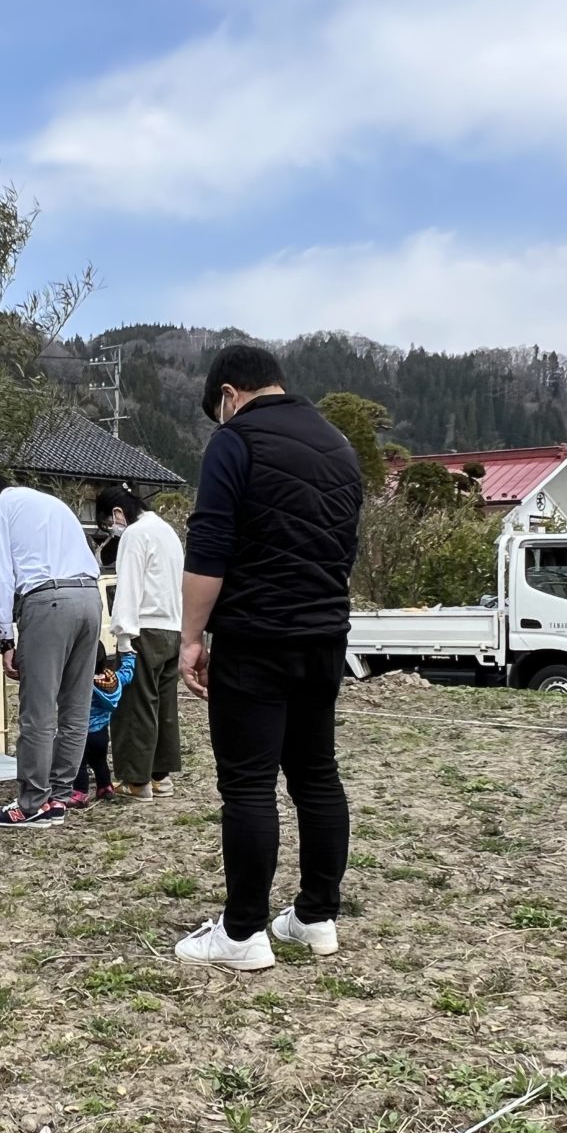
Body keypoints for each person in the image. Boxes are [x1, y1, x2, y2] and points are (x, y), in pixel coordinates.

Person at [174, 345, 363, 971]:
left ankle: (243, 932)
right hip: (324, 633)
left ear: (229, 394)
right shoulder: (339, 445)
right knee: (316, 774)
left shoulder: (237, 441)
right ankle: (316, 917)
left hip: (256, 635)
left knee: (249, 784)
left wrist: (191, 637)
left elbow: (210, 549)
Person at [0, 474, 100, 829]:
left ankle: (31, 804)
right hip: (90, 596)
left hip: (47, 599)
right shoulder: (53, 505)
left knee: (38, 709)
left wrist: (5, 637)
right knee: (76, 706)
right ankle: (59, 794)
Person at [96, 486, 185, 801]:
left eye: (110, 524)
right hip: (172, 627)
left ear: (118, 514)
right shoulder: (168, 532)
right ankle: (161, 777)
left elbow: (129, 587)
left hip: (142, 630)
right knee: (163, 706)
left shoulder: (135, 535)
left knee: (134, 706)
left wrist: (122, 637)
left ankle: (137, 781)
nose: (113, 531)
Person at [71, 643, 136, 807]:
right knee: (100, 761)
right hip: (101, 733)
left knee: (80, 764)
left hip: (82, 732)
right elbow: (127, 674)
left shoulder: (80, 681)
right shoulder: (112, 679)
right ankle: (105, 787)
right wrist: (129, 656)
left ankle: (80, 792)